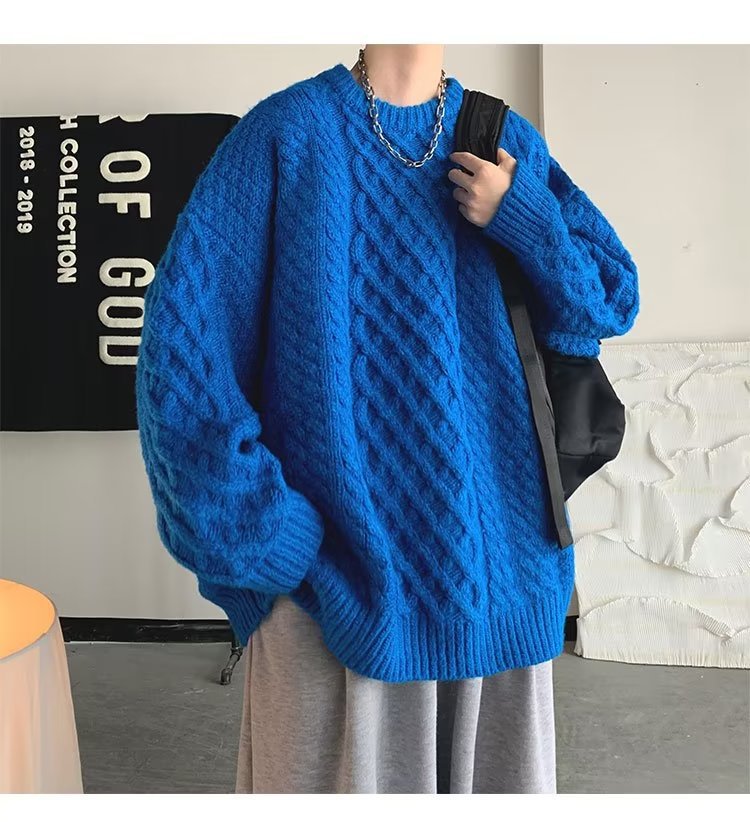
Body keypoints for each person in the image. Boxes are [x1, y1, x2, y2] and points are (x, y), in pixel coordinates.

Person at [135, 44, 640, 793]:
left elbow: (606, 299)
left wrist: (523, 218)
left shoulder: (500, 138)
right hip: (333, 598)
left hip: (499, 583)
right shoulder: (285, 135)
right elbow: (182, 368)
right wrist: (274, 541)